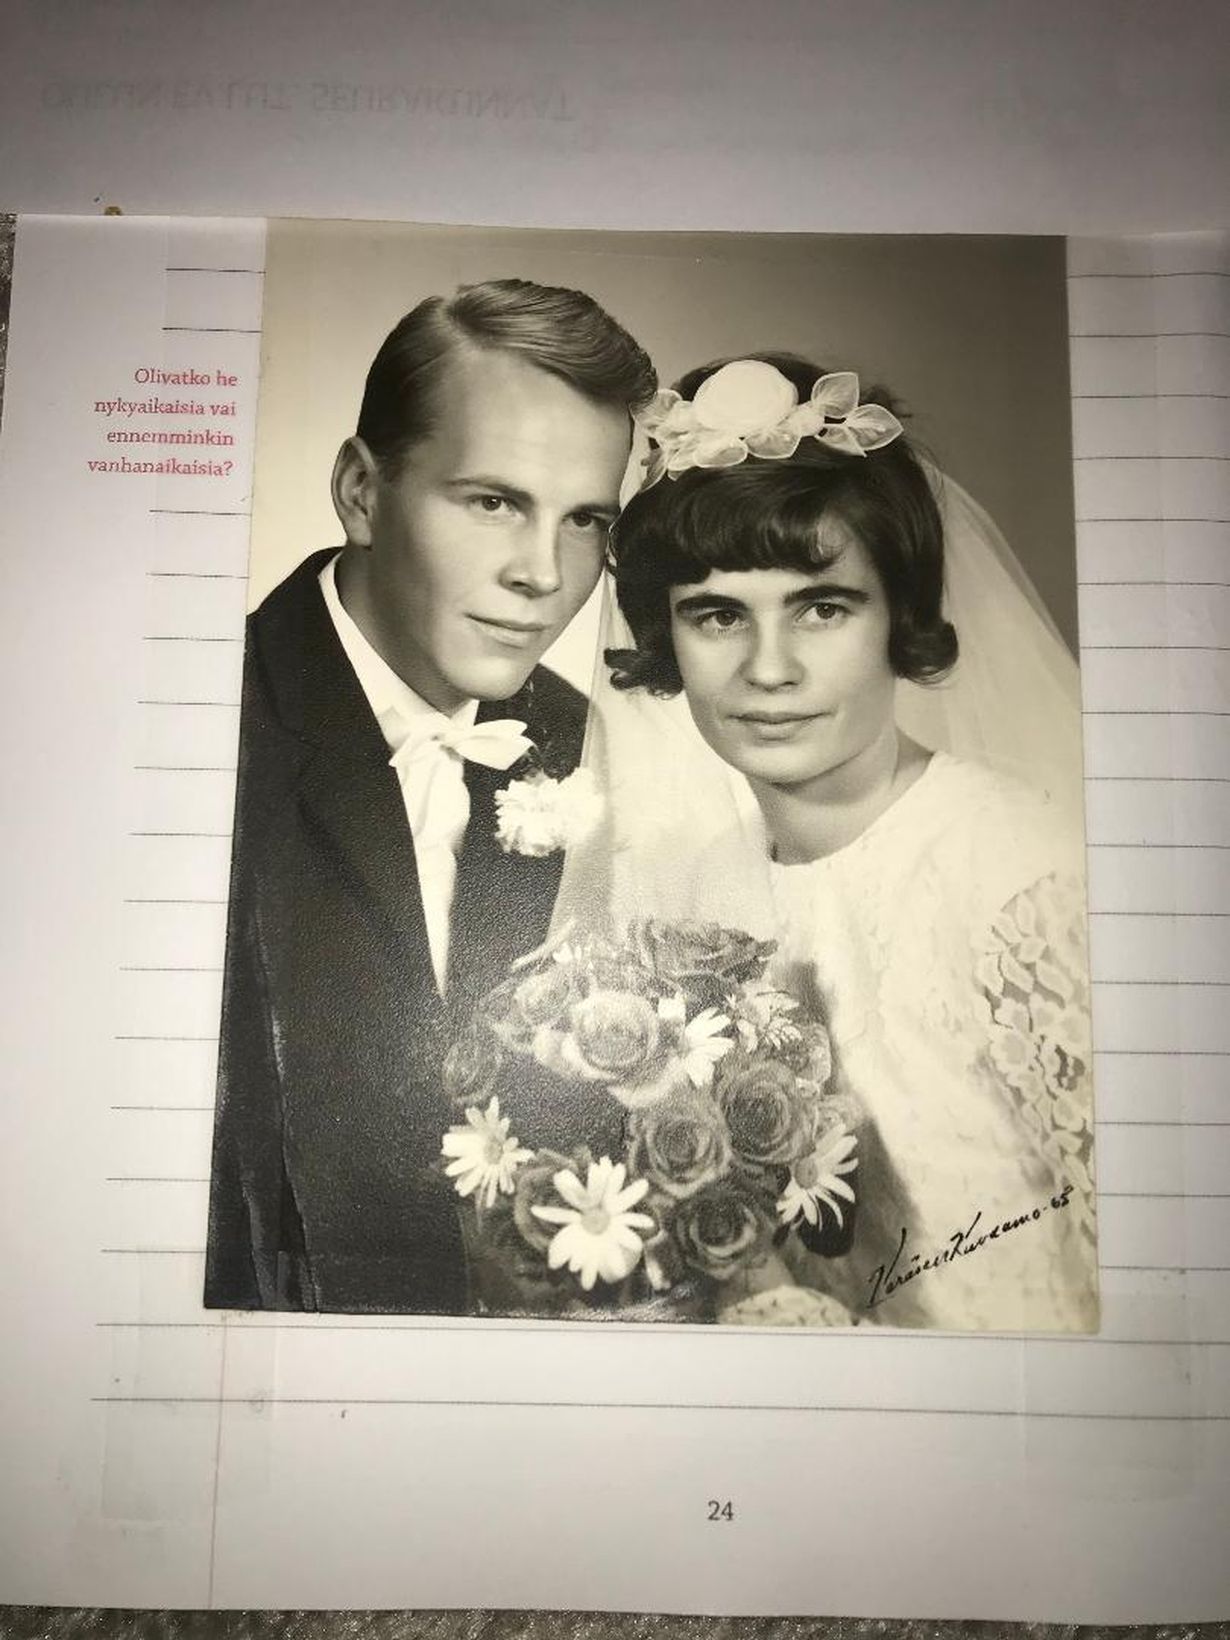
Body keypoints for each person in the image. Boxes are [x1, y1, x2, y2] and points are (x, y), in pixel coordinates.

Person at [591, 353, 1098, 1331]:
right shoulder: (682, 894)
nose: (768, 668)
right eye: (717, 615)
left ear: (898, 612)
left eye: (821, 607)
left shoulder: (1025, 879)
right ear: (665, 634)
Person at [204, 279, 656, 1314]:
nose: (543, 574)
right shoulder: (207, 720)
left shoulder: (589, 746)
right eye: (494, 502)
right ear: (362, 492)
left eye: (585, 521)